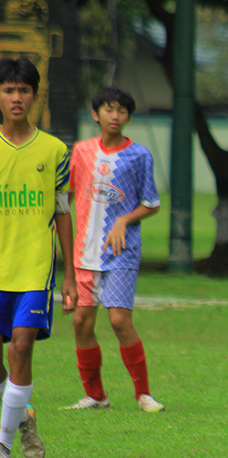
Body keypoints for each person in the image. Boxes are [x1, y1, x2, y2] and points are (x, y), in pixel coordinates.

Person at [62, 87, 164, 413]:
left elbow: (151, 202)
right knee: (81, 321)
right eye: (109, 109)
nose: (115, 116)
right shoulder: (81, 152)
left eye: (121, 111)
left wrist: (124, 220)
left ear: (129, 117)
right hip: (84, 253)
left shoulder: (140, 155)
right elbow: (69, 197)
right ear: (96, 114)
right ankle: (96, 396)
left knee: (119, 320)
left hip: (121, 251)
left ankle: (144, 395)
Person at [0, 56, 75, 458]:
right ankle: (23, 416)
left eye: (23, 90)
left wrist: (70, 274)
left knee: (22, 348)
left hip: (33, 268)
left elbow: (62, 210)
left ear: (34, 95)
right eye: (8, 89)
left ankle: (3, 444)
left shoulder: (55, 150)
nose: (16, 98)